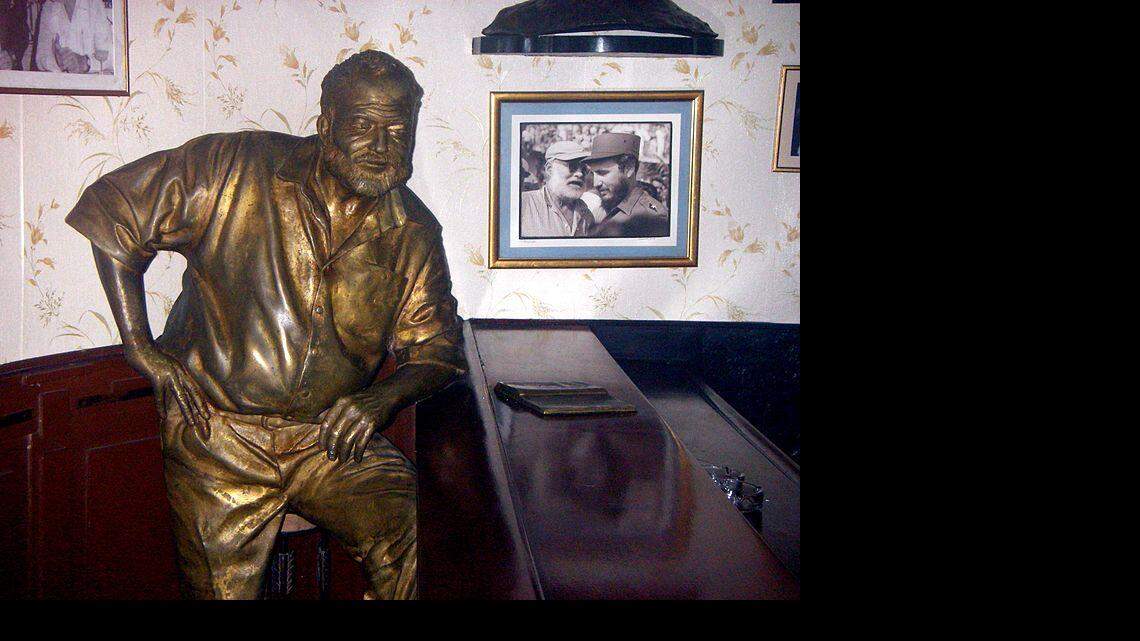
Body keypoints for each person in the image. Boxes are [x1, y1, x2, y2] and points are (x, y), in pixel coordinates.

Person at [65, 50, 464, 600]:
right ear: (326, 125)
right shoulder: (235, 166)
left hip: (326, 441)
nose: (381, 146)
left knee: (424, 538)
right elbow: (114, 211)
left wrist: (379, 400)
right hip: (218, 435)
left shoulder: (414, 231)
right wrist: (139, 346)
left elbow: (437, 351)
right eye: (362, 126)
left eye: (398, 130)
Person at [584, 132, 669, 238]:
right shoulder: (600, 210)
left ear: (629, 168)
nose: (595, 183)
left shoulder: (653, 218)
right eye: (593, 174)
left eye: (602, 173)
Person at [520, 140, 595, 238]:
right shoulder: (524, 204)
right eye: (572, 166)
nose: (580, 174)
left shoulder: (587, 215)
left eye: (584, 169)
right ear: (549, 169)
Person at [25, 0, 113, 73]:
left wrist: (86, 63)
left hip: (91, 84)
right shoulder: (49, 6)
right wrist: (56, 61)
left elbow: (113, 57)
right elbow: (41, 58)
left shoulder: (94, 4)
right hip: (61, 83)